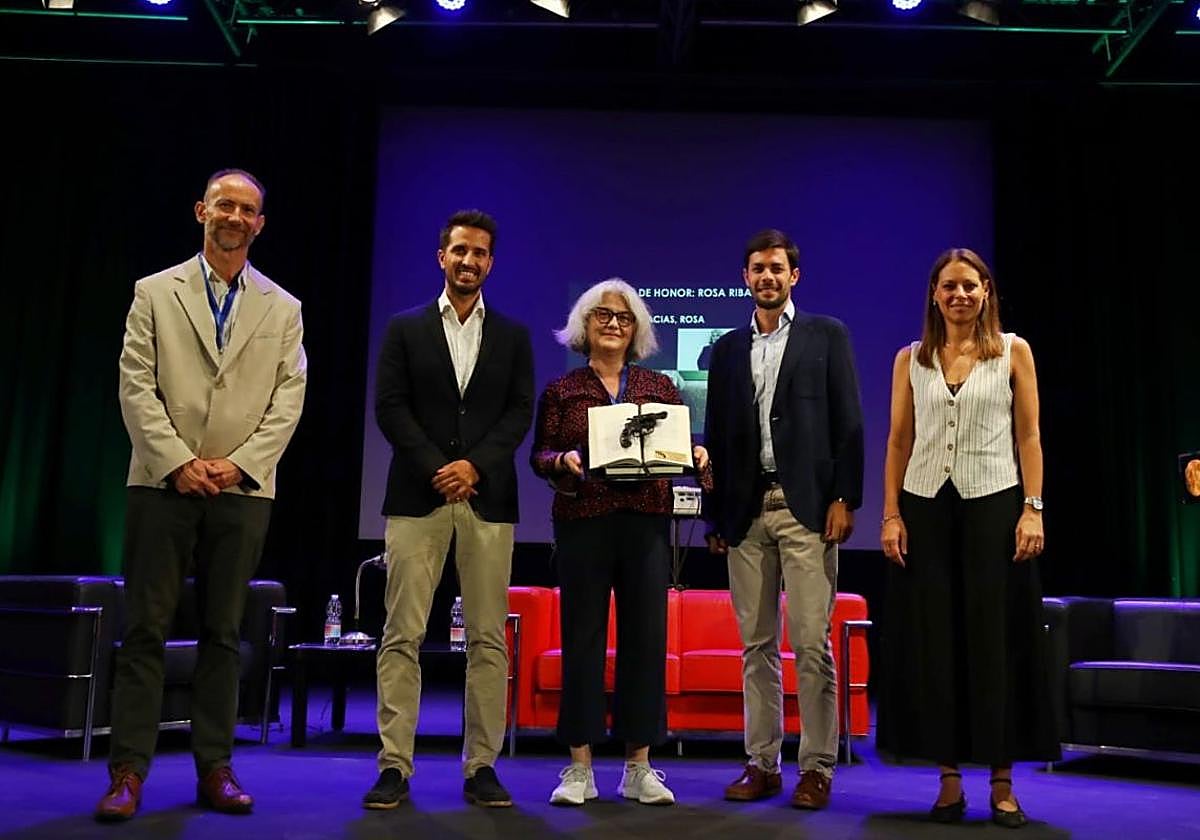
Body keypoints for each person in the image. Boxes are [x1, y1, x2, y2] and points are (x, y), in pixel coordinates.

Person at [96, 169, 307, 821]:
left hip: (242, 492)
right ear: (201, 212)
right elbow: (136, 386)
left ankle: (215, 767)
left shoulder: (284, 306)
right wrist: (179, 462)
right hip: (162, 486)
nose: (235, 216)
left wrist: (238, 465)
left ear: (260, 224)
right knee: (145, 631)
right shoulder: (154, 292)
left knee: (223, 632)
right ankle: (128, 771)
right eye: (224, 205)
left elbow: (288, 398)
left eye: (247, 209)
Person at [877, 248, 1059, 828]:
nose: (959, 295)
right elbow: (898, 441)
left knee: (995, 639)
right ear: (934, 293)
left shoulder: (1013, 351)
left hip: (995, 506)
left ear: (986, 293)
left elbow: (1029, 435)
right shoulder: (912, 358)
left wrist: (1033, 508)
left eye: (969, 286)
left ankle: (1002, 784)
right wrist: (890, 514)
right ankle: (949, 782)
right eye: (949, 286)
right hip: (927, 508)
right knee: (938, 642)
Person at [365, 210, 534, 810]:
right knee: (401, 634)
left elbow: (518, 413)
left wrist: (474, 468)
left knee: (489, 640)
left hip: (488, 501)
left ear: (491, 262)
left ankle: (481, 765)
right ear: (443, 257)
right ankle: (394, 766)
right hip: (417, 496)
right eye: (460, 250)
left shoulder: (512, 336)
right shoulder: (404, 328)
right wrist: (439, 466)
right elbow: (390, 407)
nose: (470, 261)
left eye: (481, 253)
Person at [530, 279, 710, 807]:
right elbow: (540, 455)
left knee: (646, 642)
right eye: (602, 316)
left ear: (637, 331)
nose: (613, 324)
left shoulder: (660, 387)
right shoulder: (562, 392)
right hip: (583, 522)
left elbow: (682, 448)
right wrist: (561, 464)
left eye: (624, 318)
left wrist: (697, 459)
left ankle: (639, 765)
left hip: (646, 524)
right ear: (584, 326)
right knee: (581, 640)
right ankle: (579, 766)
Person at [703, 229, 864, 810]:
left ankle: (817, 767)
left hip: (809, 512)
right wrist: (717, 515)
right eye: (756, 268)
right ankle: (761, 762)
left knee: (813, 644)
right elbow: (717, 435)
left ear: (794, 276)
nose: (767, 277)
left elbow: (848, 421)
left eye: (777, 268)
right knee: (755, 646)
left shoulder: (826, 335)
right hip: (746, 512)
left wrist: (845, 497)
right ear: (745, 278)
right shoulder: (724, 349)